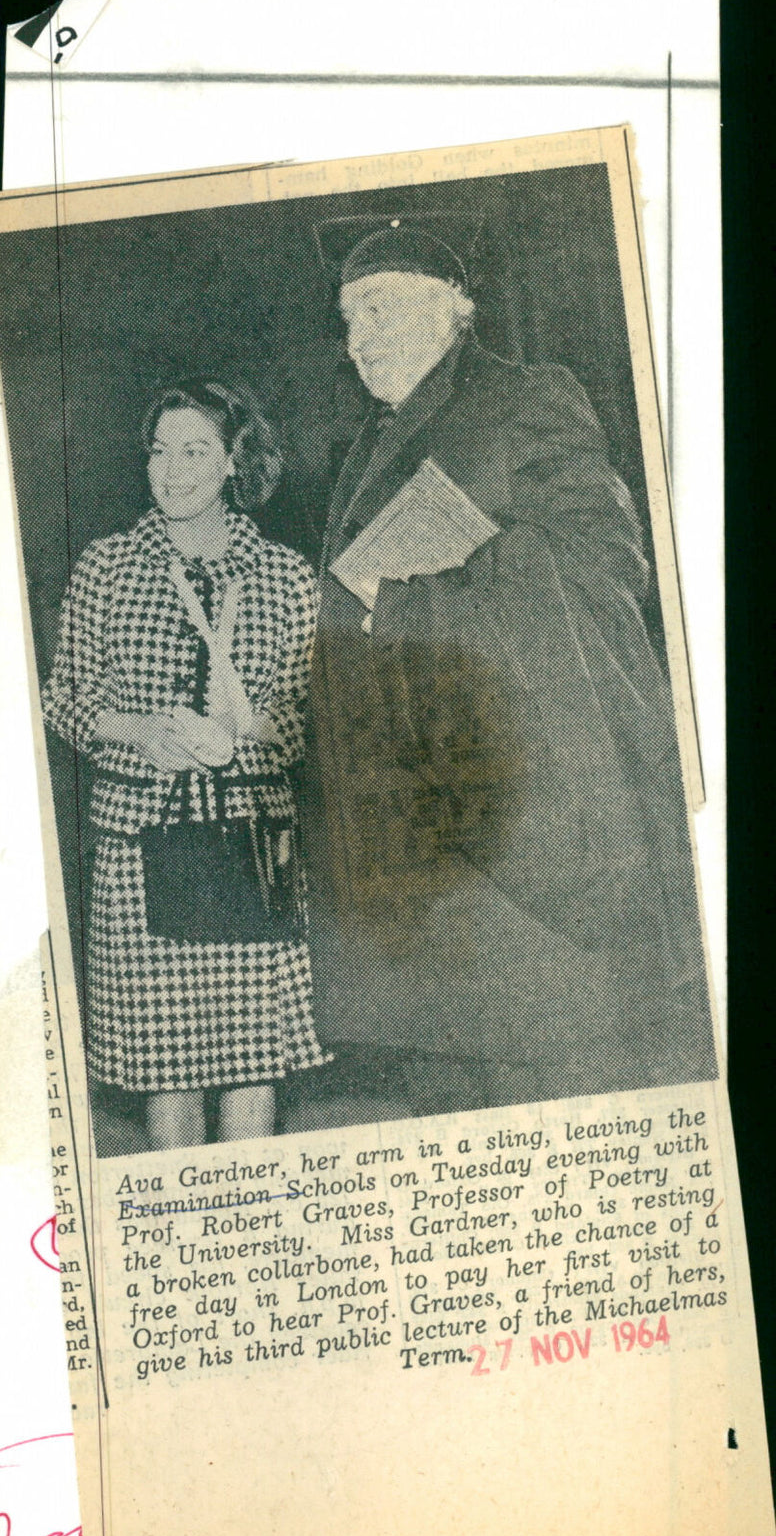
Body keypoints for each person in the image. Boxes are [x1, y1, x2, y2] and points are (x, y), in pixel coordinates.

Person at [301, 221, 716, 1120]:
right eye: (343, 319)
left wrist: (406, 605)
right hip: (417, 864)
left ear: (453, 307)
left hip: (528, 859)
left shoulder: (526, 398)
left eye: (374, 308)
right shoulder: (361, 451)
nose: (354, 339)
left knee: (563, 1109)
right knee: (449, 1115)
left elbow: (606, 566)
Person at [42, 378, 328, 1148]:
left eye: (195, 450)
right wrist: (137, 729)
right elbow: (63, 695)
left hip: (250, 843)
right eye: (160, 452)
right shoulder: (107, 567)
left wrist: (245, 736)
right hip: (140, 840)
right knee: (166, 1070)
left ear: (235, 460)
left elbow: (307, 721)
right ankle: (184, 1230)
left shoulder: (287, 576)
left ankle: (248, 1232)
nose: (173, 470)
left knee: (252, 1063)